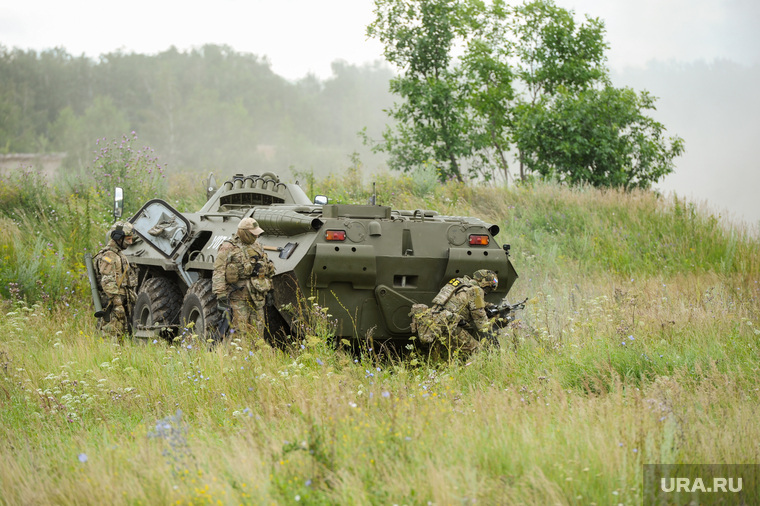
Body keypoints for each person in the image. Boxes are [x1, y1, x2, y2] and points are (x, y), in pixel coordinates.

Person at [212, 217, 275, 346]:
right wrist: (221, 295)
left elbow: (266, 270)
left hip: (257, 296)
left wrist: (270, 290)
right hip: (238, 297)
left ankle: (254, 360)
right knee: (239, 332)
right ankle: (237, 360)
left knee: (258, 330)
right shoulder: (228, 247)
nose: (255, 237)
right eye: (253, 234)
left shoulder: (257, 246)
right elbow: (218, 271)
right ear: (244, 232)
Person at [410, 269, 499, 357]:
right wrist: (495, 322)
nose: (486, 292)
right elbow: (482, 324)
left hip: (434, 320)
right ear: (484, 283)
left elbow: (459, 299)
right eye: (488, 289)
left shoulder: (459, 281)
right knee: (478, 351)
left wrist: (487, 305)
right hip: (449, 325)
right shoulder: (476, 291)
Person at [94, 221, 138, 338]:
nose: (130, 242)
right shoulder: (110, 255)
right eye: (128, 239)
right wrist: (118, 304)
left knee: (121, 335)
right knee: (112, 335)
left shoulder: (118, 254)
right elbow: (107, 282)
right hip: (113, 304)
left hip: (121, 303)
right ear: (118, 238)